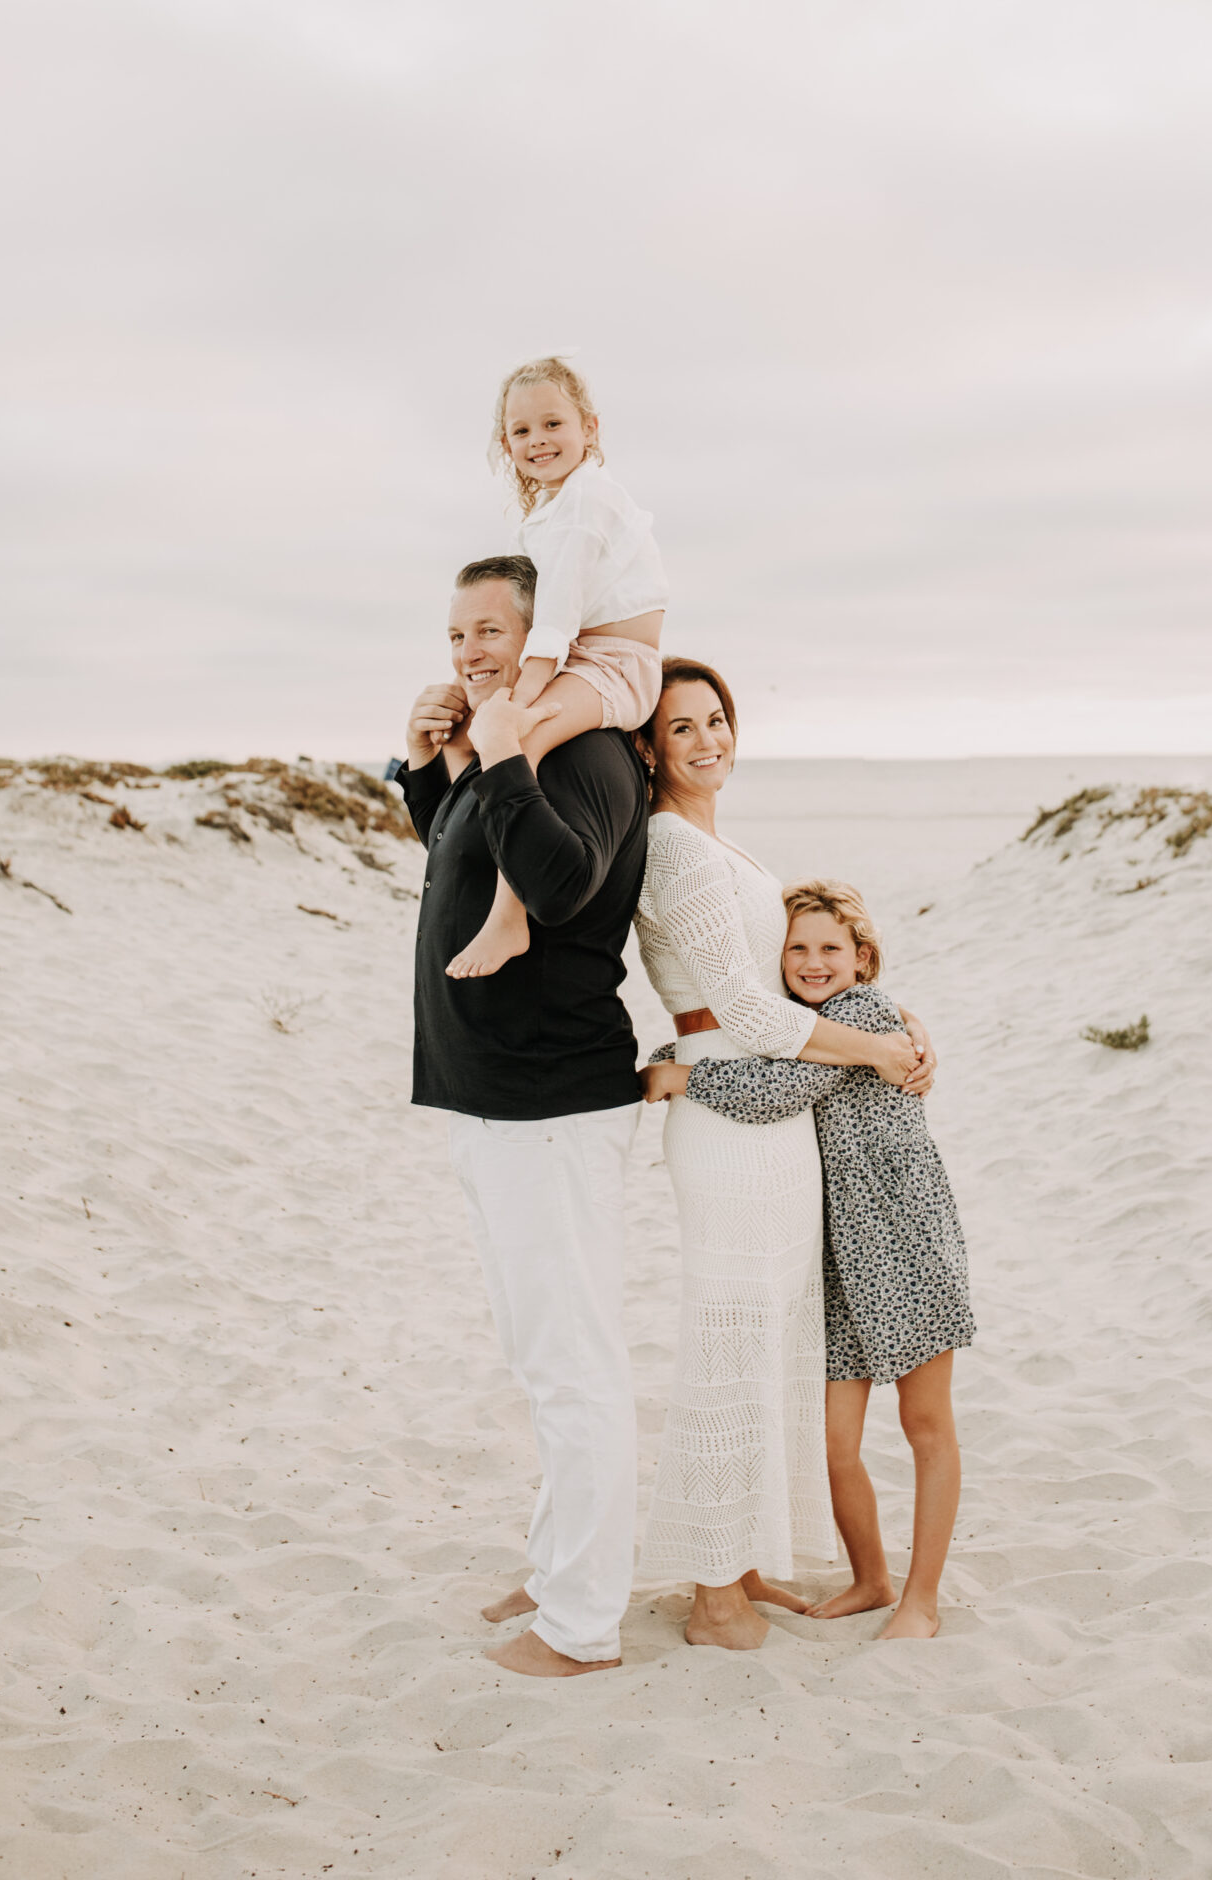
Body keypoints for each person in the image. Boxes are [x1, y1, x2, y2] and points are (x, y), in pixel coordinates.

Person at [630, 661, 937, 1650]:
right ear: (650, 747)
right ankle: (713, 1592)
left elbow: (801, 986)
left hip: (778, 1105)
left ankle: (744, 1553)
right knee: (730, 1334)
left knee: (771, 1341)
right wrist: (880, 1051)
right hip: (727, 1099)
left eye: (717, 719)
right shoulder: (672, 848)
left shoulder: (726, 845)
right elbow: (755, 1007)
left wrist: (892, 1017)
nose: (707, 739)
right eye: (682, 728)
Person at [402, 553, 649, 1678]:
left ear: (542, 634)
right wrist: (429, 773)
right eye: (456, 636)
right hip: (491, 1098)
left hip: (551, 1104)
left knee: (573, 1365)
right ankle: (560, 1569)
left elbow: (556, 885)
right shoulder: (502, 744)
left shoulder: (589, 752)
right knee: (536, 1353)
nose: (469, 653)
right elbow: (470, 863)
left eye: (491, 632)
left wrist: (498, 751)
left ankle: (584, 1623)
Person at [643, 878, 974, 1640]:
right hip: (837, 1254)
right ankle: (870, 1578)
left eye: (830, 948)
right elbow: (744, 1049)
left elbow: (774, 1088)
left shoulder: (861, 1017)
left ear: (862, 958)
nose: (812, 961)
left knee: (926, 1424)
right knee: (832, 1439)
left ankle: (920, 1602)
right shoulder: (797, 1022)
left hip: (902, 1238)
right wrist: (674, 1052)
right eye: (796, 948)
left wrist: (685, 1076)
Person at [444, 356, 666, 980]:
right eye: (520, 432)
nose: (537, 441)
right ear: (506, 443)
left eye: (552, 424)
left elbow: (558, 612)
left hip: (616, 665)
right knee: (497, 729)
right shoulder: (549, 508)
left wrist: (523, 693)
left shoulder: (587, 500)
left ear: (589, 429)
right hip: (584, 656)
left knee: (522, 736)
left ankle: (508, 916)